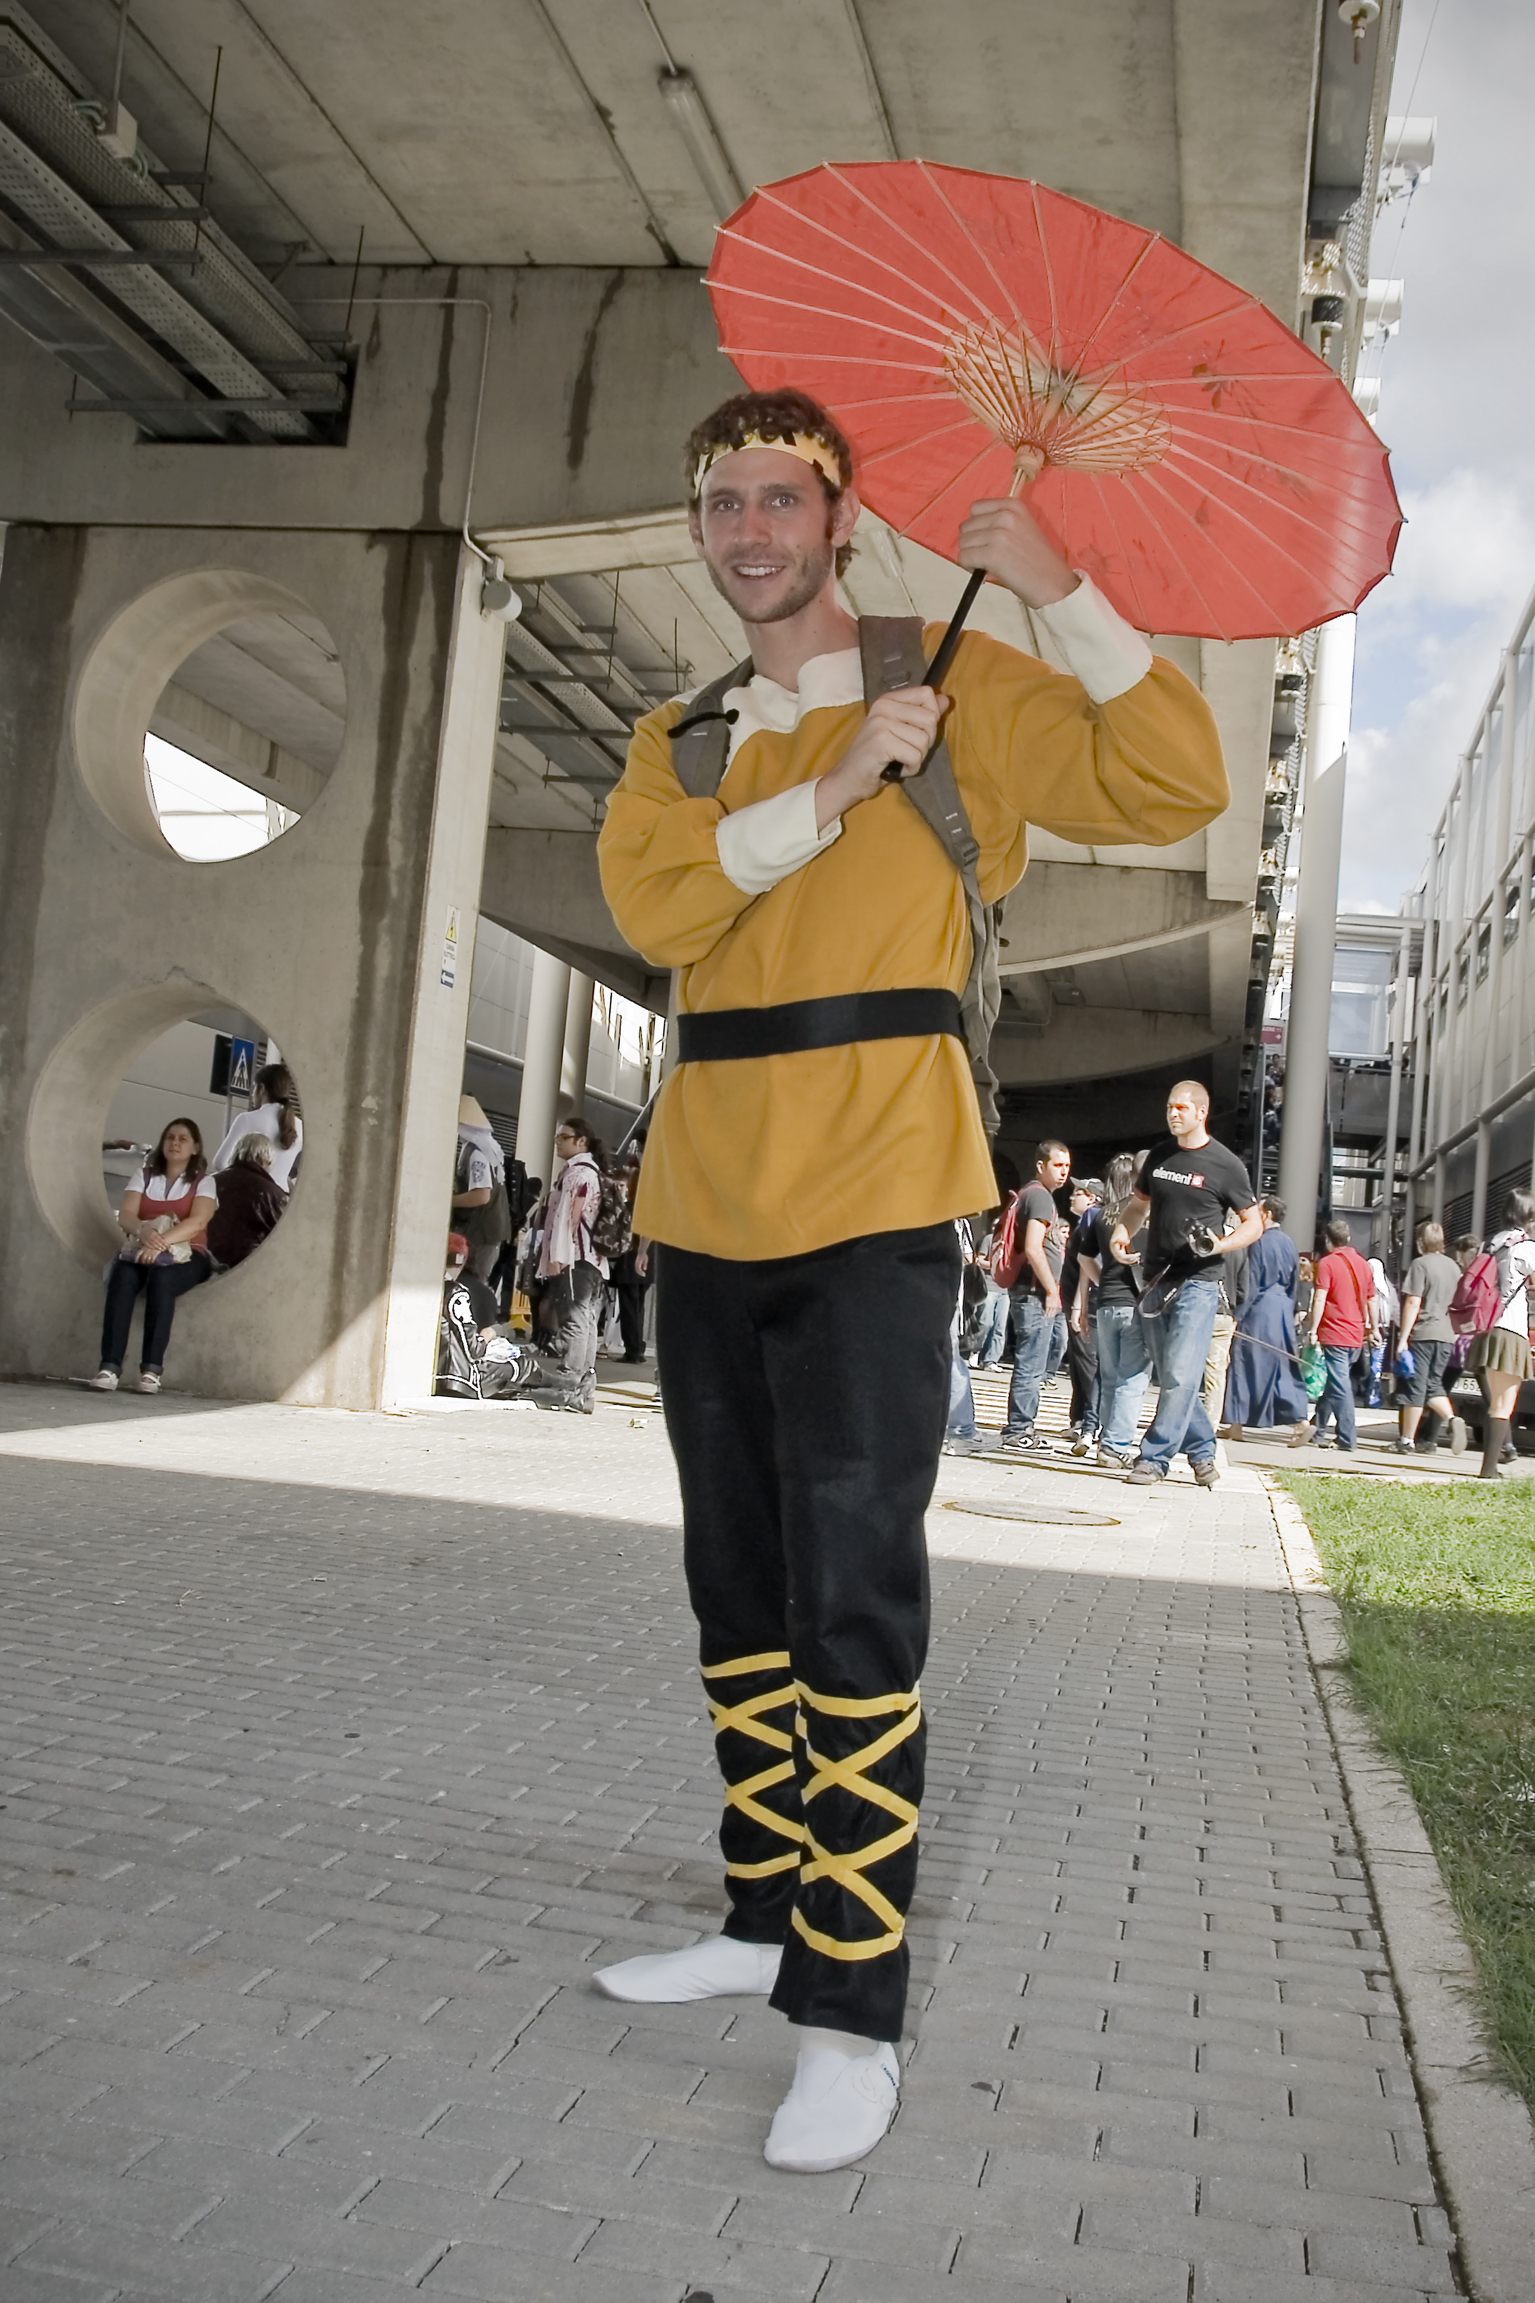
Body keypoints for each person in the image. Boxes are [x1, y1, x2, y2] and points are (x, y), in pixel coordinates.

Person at [591, 384, 1228, 2173]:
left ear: (841, 513)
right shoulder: (689, 735)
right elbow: (658, 914)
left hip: (879, 1185)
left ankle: (850, 2003)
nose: (748, 527)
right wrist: (830, 781)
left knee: (856, 1588)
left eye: (779, 495)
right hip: (704, 1188)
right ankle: (756, 1914)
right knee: (739, 1578)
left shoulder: (965, 694)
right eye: (721, 500)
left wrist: (1057, 583)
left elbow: (1180, 776)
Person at [1123, 1082, 1263, 1487]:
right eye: (1169, 1107)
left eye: (1181, 1108)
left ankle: (1154, 1458)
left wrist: (1221, 1243)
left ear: (1201, 1112)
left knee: (1183, 1375)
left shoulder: (1226, 1164)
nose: (1173, 1114)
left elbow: (1253, 1223)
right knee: (1173, 1377)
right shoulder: (1159, 1155)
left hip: (1199, 1283)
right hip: (1155, 1280)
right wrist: (1122, 1232)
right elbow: (1138, 1204)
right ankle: (1203, 1451)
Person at [89, 1117, 217, 1393]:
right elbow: (127, 1215)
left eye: (183, 1139)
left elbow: (197, 1222)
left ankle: (151, 1370)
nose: (175, 1143)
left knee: (163, 1280)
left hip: (188, 1254)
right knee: (122, 1276)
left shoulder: (203, 1183)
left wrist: (159, 1243)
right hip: (143, 1249)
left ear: (195, 1147)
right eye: (170, 1137)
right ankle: (109, 1367)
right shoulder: (144, 1175)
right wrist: (144, 1234)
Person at [1076, 1151, 1151, 1468]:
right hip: (1136, 1304)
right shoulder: (1148, 1215)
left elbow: (1083, 1257)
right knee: (1132, 1379)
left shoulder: (1106, 1213)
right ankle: (1115, 1446)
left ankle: (1107, 1439)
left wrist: (1102, 1280)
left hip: (1105, 1302)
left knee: (1108, 1377)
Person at [999, 1140, 1072, 1454]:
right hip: (1034, 1293)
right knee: (1031, 1365)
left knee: (1029, 1363)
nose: (1063, 1173)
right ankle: (1020, 1429)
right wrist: (1052, 1289)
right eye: (1057, 1165)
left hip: (1027, 1292)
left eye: (1067, 1166)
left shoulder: (1030, 1194)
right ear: (1041, 1165)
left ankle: (1019, 1426)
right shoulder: (1040, 1199)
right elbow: (1033, 1247)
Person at [538, 1113, 609, 1413]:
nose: (557, 1142)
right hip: (592, 1259)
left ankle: (569, 1382)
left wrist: (557, 1257)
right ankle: (582, 1390)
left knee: (576, 1320)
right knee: (587, 1321)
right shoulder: (591, 1172)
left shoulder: (578, 1174)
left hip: (575, 1257)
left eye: (563, 1137)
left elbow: (570, 1217)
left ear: (580, 1141)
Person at [1221, 1196, 1308, 1433]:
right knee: (1282, 1364)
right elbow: (1294, 1282)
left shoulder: (1258, 1242)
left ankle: (1236, 1423)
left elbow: (1253, 1282)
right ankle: (1300, 1421)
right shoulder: (1290, 1243)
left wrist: (1238, 1315)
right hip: (1282, 1307)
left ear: (1267, 1215)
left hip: (1260, 1309)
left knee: (1243, 1362)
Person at [1464, 1189, 1535, 1479]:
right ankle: (1489, 1470)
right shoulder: (1526, 1247)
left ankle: (1490, 1467)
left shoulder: (1491, 1243)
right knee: (1504, 1403)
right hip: (1511, 1329)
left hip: (1488, 1326)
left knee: (1496, 1401)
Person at [1300, 1218, 1378, 1453]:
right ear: (1349, 1239)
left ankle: (1347, 1438)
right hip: (1356, 1333)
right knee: (1336, 1382)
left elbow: (1320, 1297)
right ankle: (1318, 1429)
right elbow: (1372, 1300)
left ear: (1327, 1240)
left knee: (1340, 1384)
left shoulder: (1327, 1263)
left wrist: (1313, 1328)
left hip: (1334, 1332)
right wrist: (1374, 1328)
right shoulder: (1364, 1265)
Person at [1393, 1220, 1466, 1456]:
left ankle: (1406, 1440)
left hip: (1423, 1333)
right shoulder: (1455, 1268)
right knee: (1433, 1384)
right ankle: (1452, 1418)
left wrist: (1403, 1338)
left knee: (1415, 1387)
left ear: (1420, 1242)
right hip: (1446, 1335)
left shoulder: (1420, 1265)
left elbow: (1413, 1302)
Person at [1060, 1177, 1103, 1455]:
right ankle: (1079, 1417)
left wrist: (1079, 1304)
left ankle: (1090, 1420)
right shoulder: (1083, 1222)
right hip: (1079, 1298)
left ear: (1092, 1198)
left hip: (1087, 1301)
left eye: (1079, 1192)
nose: (1072, 1196)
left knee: (1088, 1361)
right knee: (1079, 1362)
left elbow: (1087, 1266)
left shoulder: (1092, 1218)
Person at [211, 1061, 303, 1191]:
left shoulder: (247, 1119)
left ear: (262, 1089)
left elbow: (220, 1163)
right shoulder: (300, 1126)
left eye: (254, 1087)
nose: (253, 1093)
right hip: (282, 1201)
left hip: (250, 1197)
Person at [205, 1134, 287, 1269]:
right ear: (267, 1159)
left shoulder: (209, 1182)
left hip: (205, 1263)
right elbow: (284, 1238)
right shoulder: (273, 1194)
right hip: (245, 1268)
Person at [452, 1095, 512, 1282]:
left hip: (481, 1233)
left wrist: (449, 1200)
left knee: (472, 1282)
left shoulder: (477, 1153)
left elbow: (482, 1195)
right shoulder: (486, 1149)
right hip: (489, 1231)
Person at [609, 1146, 652, 1363]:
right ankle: (638, 1347)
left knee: (628, 1307)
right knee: (638, 1306)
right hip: (646, 1262)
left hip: (630, 1259)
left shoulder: (630, 1207)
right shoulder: (648, 1204)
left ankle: (633, 1350)